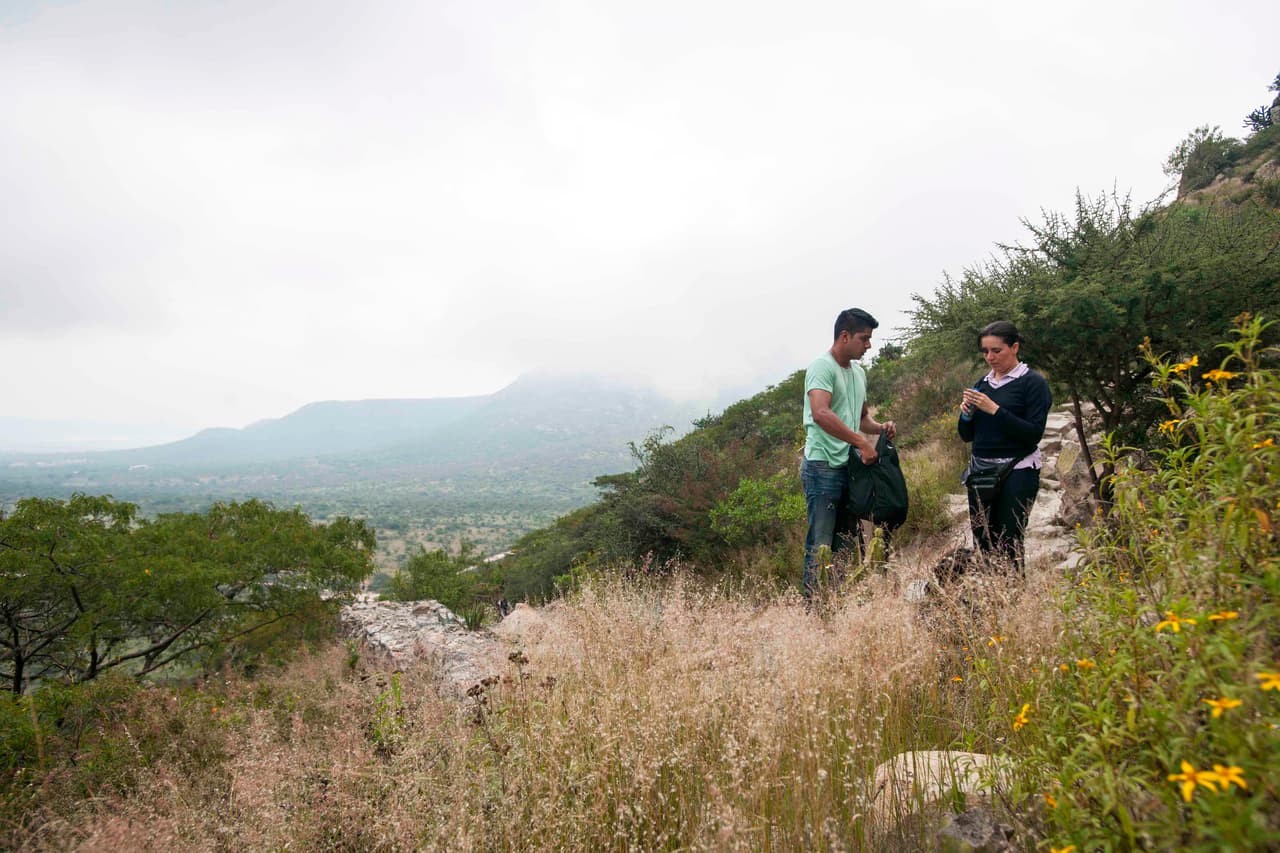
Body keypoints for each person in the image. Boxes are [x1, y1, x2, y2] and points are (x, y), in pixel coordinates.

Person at [801, 308, 896, 599]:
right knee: (820, 543)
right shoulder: (822, 367)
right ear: (844, 336)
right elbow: (821, 413)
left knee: (845, 541)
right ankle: (816, 608)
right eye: (864, 338)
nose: (868, 345)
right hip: (823, 467)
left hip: (848, 469)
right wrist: (861, 443)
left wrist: (880, 428)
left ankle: (837, 602)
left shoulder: (858, 372)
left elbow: (861, 417)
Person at [957, 320, 1051, 573]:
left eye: (996, 351)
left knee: (1010, 540)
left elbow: (1032, 434)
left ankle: (1014, 598)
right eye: (985, 351)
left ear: (1015, 347)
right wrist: (966, 414)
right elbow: (967, 436)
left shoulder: (1033, 383)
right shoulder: (982, 384)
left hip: (1018, 469)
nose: (990, 357)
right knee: (983, 540)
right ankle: (990, 600)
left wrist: (994, 409)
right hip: (981, 471)